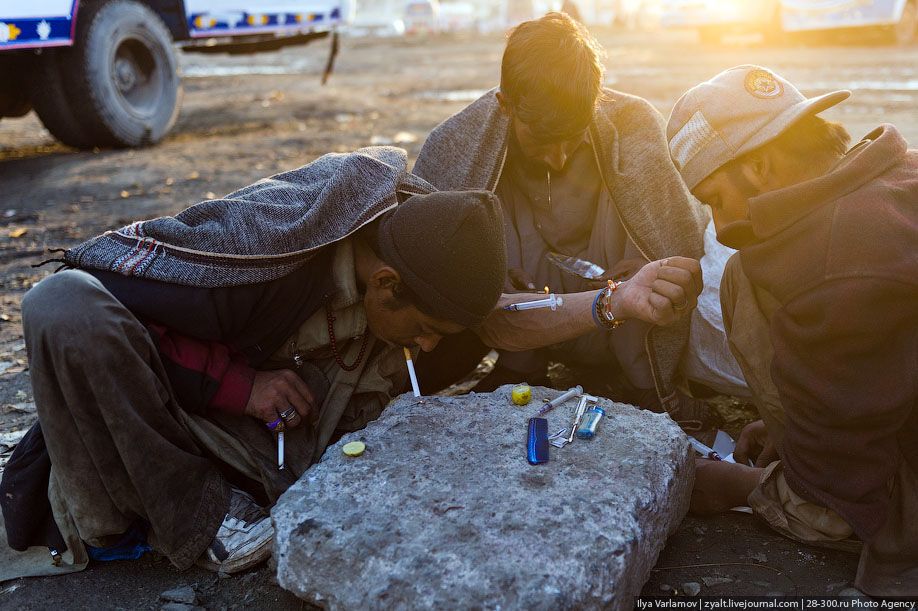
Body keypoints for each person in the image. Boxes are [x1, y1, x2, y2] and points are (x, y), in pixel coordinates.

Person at [1, 146, 703, 579]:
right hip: (181, 432)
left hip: (281, 453)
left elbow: (503, 317)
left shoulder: (419, 239)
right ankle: (199, 519)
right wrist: (238, 382)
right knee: (59, 304)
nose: (428, 349)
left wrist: (613, 302)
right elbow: (109, 307)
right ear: (384, 283)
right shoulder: (272, 251)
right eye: (424, 331)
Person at [666, 65, 917, 595]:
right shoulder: (901, 175)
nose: (717, 225)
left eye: (713, 197)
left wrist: (741, 487)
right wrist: (789, 427)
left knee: (742, 277)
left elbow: (843, 495)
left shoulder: (826, 266)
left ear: (758, 165)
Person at [412, 11, 729, 430]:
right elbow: (426, 268)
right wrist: (485, 273)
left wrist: (651, 265)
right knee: (474, 214)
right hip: (519, 311)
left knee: (649, 253)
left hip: (618, 296)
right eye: (542, 141)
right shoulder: (457, 144)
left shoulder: (633, 124)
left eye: (573, 137)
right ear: (505, 105)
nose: (558, 158)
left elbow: (677, 234)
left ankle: (650, 385)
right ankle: (520, 368)